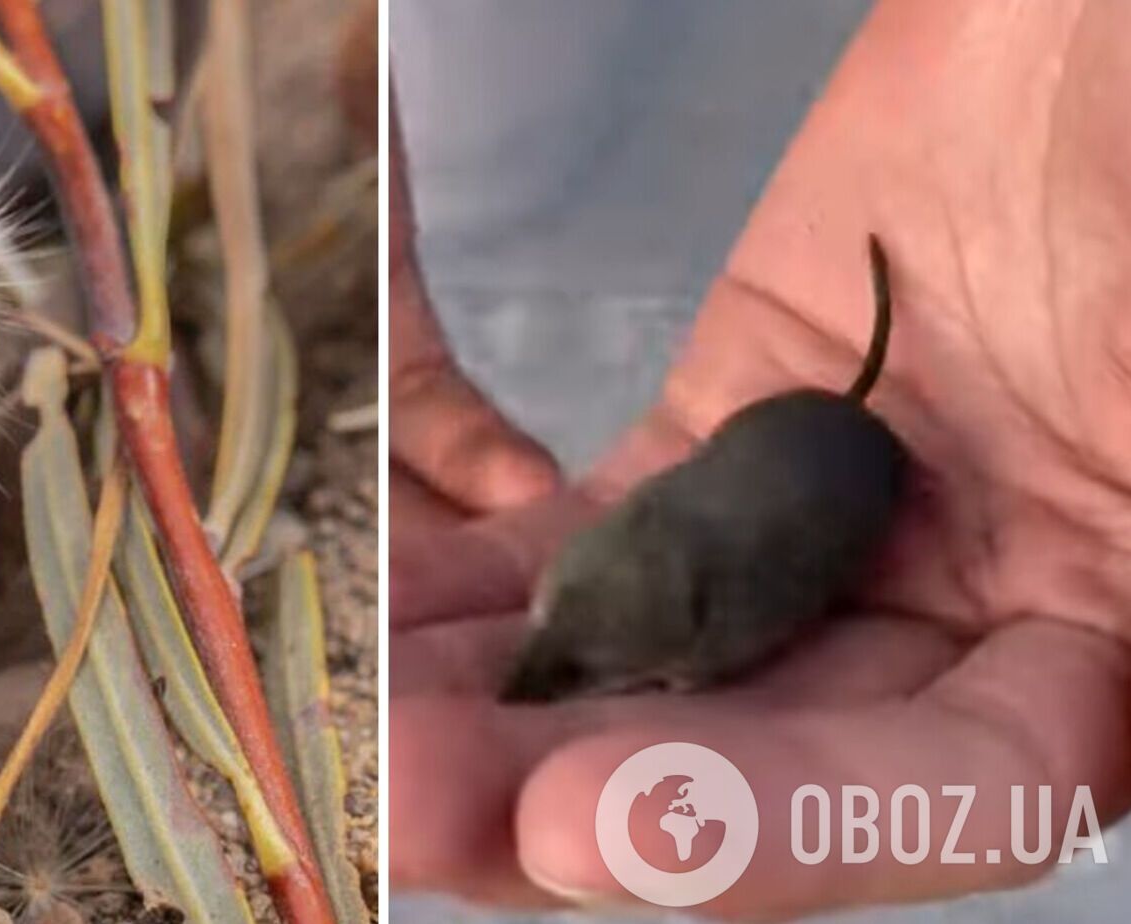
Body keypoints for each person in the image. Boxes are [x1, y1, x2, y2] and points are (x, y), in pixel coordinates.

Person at [388, 0, 1131, 916]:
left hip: (815, 463)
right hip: (775, 446)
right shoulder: (642, 580)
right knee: (490, 136)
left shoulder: (715, 613)